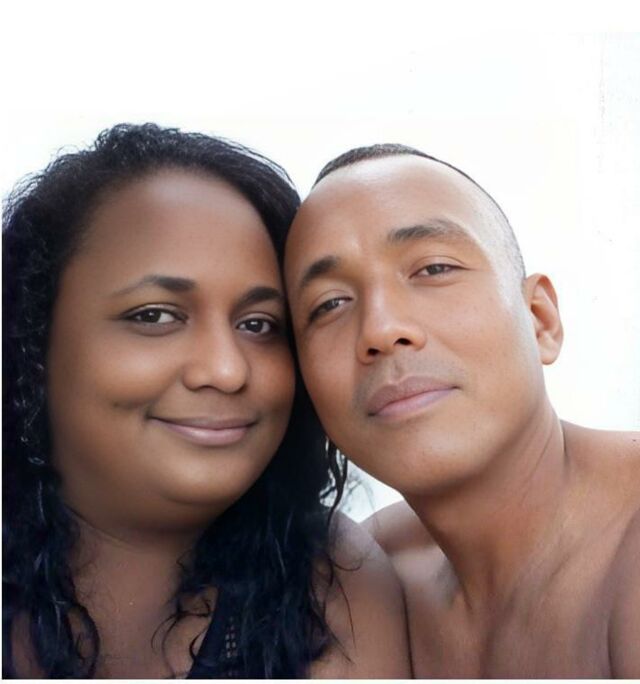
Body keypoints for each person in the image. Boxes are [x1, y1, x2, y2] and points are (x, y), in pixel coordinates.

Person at [2, 126, 410, 679]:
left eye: (259, 324)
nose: (226, 369)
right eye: (155, 316)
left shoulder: (332, 586)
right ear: (32, 341)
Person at [284, 143, 640, 678]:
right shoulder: (360, 579)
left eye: (433, 268)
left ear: (540, 319)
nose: (381, 329)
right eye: (329, 304)